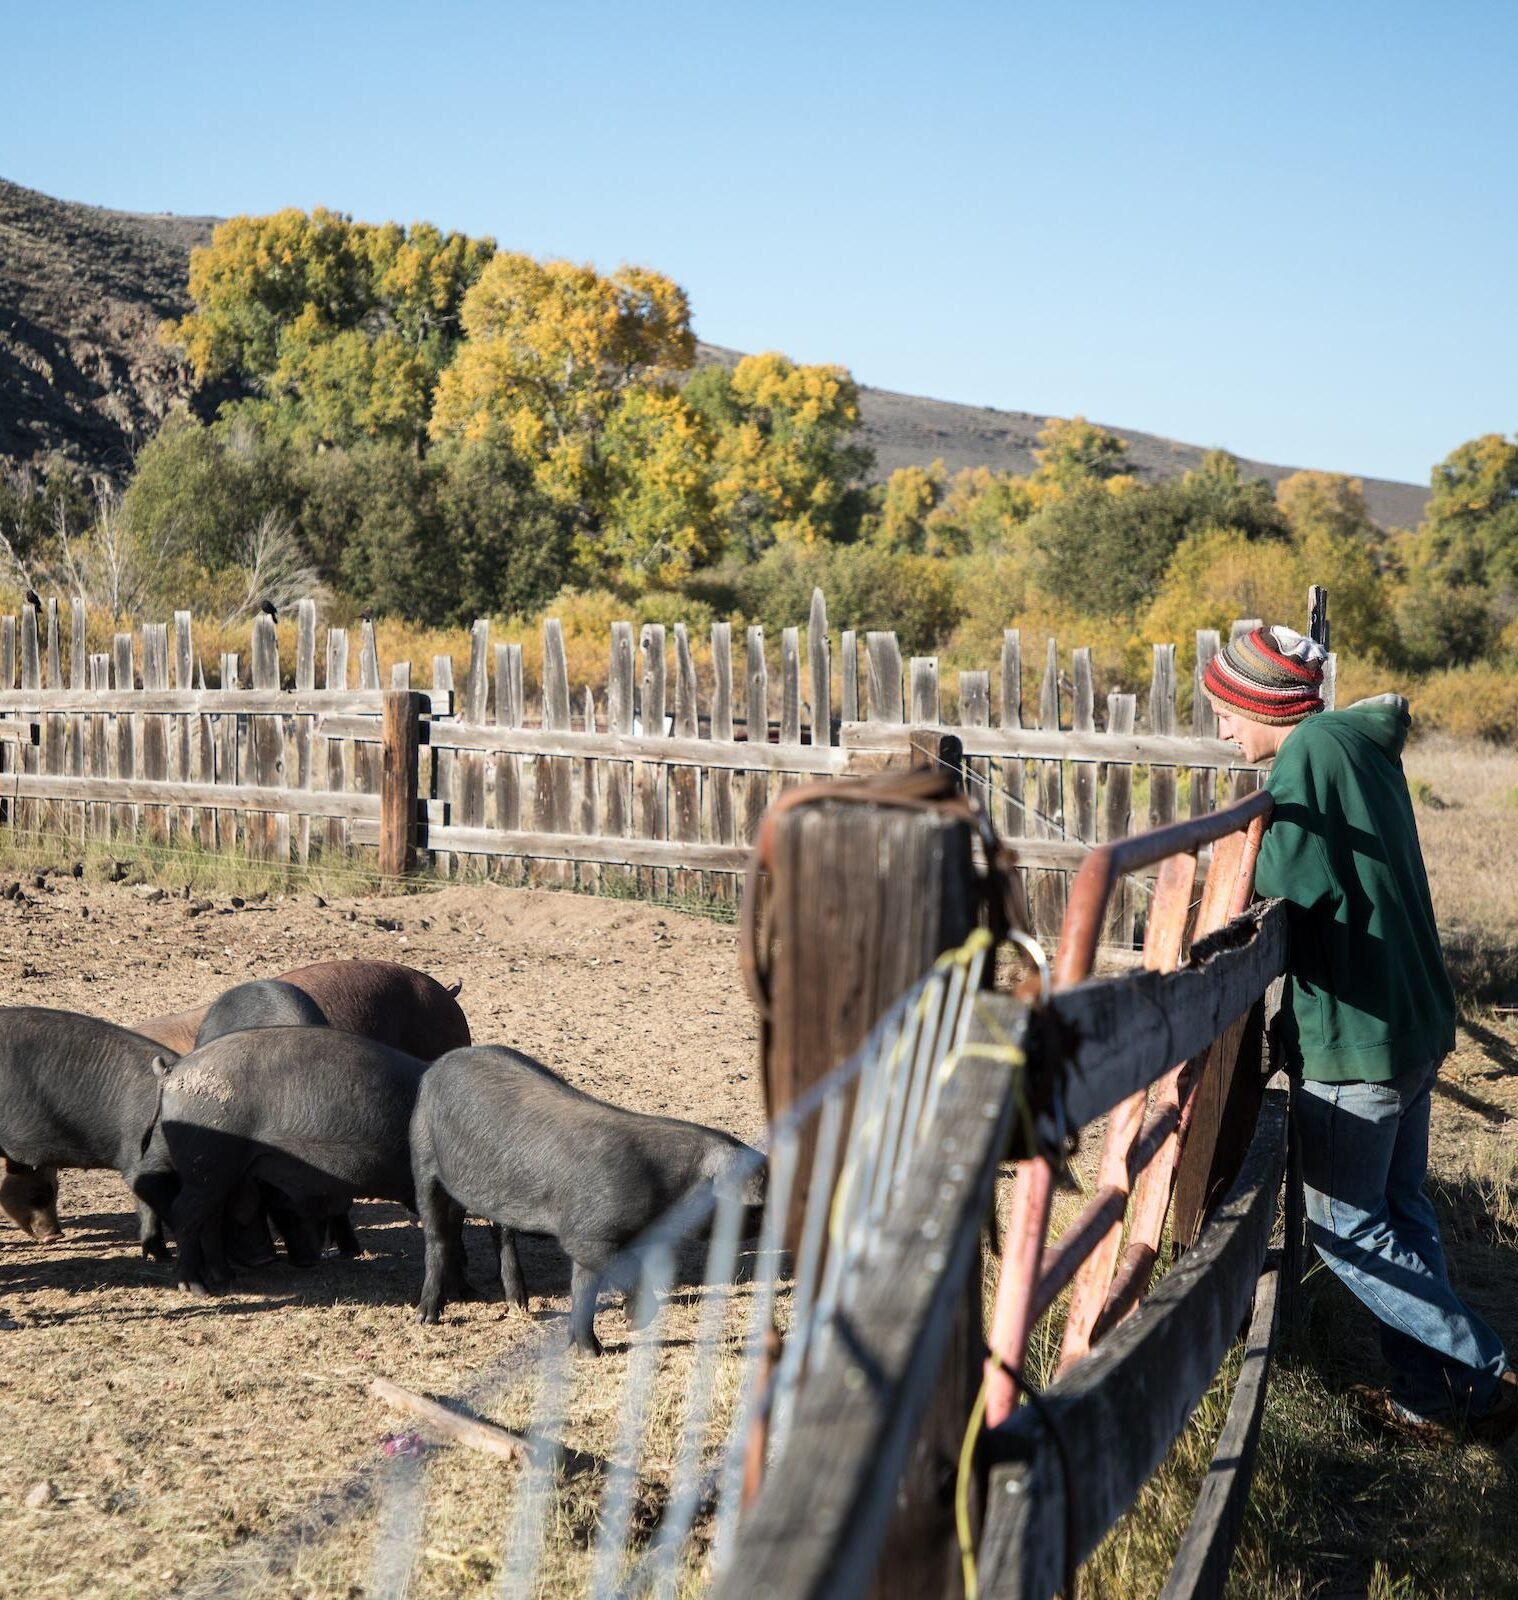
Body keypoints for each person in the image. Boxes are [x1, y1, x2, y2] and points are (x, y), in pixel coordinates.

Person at [1203, 623, 1515, 1444]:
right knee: (1402, 1213)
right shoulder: (1357, 745)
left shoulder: (1311, 752)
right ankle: (1427, 1399)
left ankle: (1486, 1368)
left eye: (1225, 710)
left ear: (1261, 702)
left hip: (1358, 1037)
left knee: (1348, 1230)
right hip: (1409, 1020)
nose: (1222, 729)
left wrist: (1240, 861)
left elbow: (1285, 886)